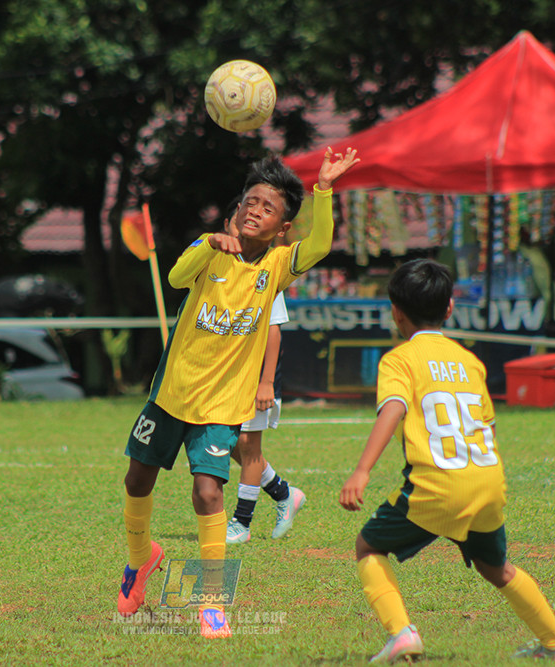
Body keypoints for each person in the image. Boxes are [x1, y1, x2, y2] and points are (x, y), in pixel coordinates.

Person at [118, 147, 359, 639]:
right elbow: (174, 277)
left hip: (221, 407)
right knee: (136, 482)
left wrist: (324, 191)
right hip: (170, 396)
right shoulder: (210, 251)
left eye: (268, 208)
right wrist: (208, 244)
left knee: (207, 493)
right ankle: (141, 560)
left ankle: (212, 605)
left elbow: (320, 247)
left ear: (282, 228)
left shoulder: (276, 268)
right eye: (250, 201)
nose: (255, 210)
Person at [339, 259, 555, 663]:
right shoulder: (470, 361)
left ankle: (401, 633)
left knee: (368, 545)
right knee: (496, 567)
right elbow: (484, 422)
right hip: (487, 480)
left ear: (396, 312)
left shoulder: (399, 359)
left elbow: (393, 408)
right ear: (450, 308)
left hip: (438, 485)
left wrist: (362, 469)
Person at [217, 198, 306, 545]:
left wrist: (266, 382)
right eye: (237, 225)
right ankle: (284, 493)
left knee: (249, 445)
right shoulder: (221, 269)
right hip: (227, 374)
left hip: (257, 376)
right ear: (228, 225)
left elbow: (273, 329)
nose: (241, 232)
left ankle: (241, 522)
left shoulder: (264, 272)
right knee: (228, 442)